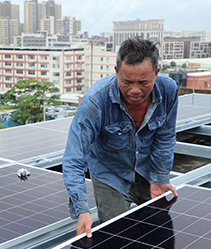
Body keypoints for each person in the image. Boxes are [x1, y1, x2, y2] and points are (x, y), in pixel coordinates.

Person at [63, 37, 179, 237]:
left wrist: (160, 176)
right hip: (110, 174)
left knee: (158, 230)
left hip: (146, 169)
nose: (135, 90)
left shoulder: (168, 90)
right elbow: (74, 158)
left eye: (144, 82)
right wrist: (82, 209)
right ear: (116, 72)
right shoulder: (95, 102)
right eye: (127, 82)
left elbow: (165, 136)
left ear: (157, 74)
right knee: (117, 237)